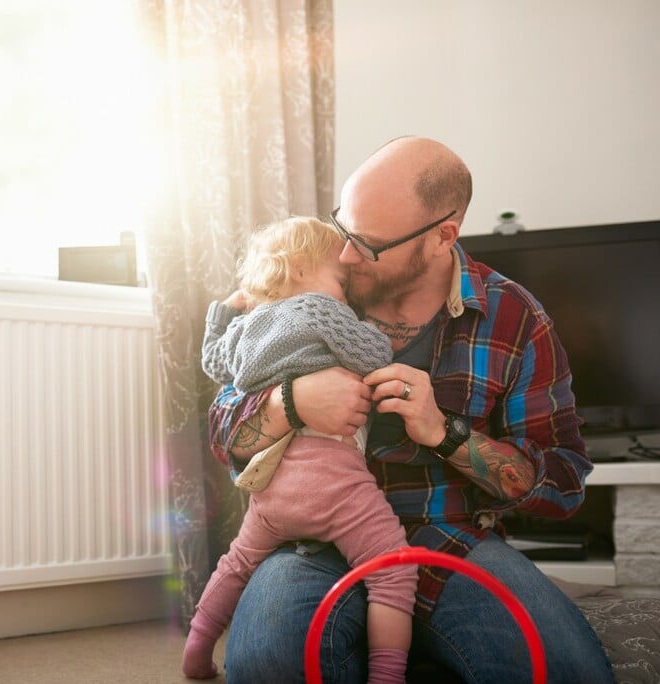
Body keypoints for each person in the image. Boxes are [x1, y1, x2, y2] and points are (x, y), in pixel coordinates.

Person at [208, 136, 614, 683]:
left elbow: (563, 483)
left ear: (443, 236)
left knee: (570, 673)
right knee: (267, 666)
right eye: (344, 229)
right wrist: (293, 403)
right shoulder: (313, 281)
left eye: (368, 244)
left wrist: (445, 434)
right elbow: (222, 430)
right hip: (311, 540)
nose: (347, 255)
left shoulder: (513, 317)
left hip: (451, 538)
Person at [184, 217, 415, 682]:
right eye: (340, 279)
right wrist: (375, 329)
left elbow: (212, 361)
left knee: (237, 562)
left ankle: (196, 648)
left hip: (273, 494)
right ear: (302, 268)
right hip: (334, 484)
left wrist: (225, 311)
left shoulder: (246, 329)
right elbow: (374, 355)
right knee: (393, 571)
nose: (345, 290)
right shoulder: (319, 310)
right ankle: (388, 676)